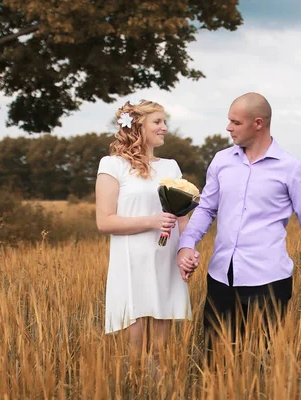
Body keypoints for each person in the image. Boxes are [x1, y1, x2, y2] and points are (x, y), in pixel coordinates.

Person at [177, 92, 301, 357]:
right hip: (220, 279)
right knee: (214, 364)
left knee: (264, 366)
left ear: (258, 123)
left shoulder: (291, 168)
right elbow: (206, 208)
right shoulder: (221, 161)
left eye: (235, 122)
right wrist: (186, 244)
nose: (228, 127)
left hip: (270, 283)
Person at [95, 99, 193, 363]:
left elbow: (182, 218)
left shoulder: (170, 167)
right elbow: (104, 222)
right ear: (138, 126)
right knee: (135, 355)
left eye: (164, 122)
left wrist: (187, 250)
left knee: (161, 356)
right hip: (131, 263)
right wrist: (152, 221)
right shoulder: (112, 165)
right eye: (158, 122)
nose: (164, 128)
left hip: (165, 262)